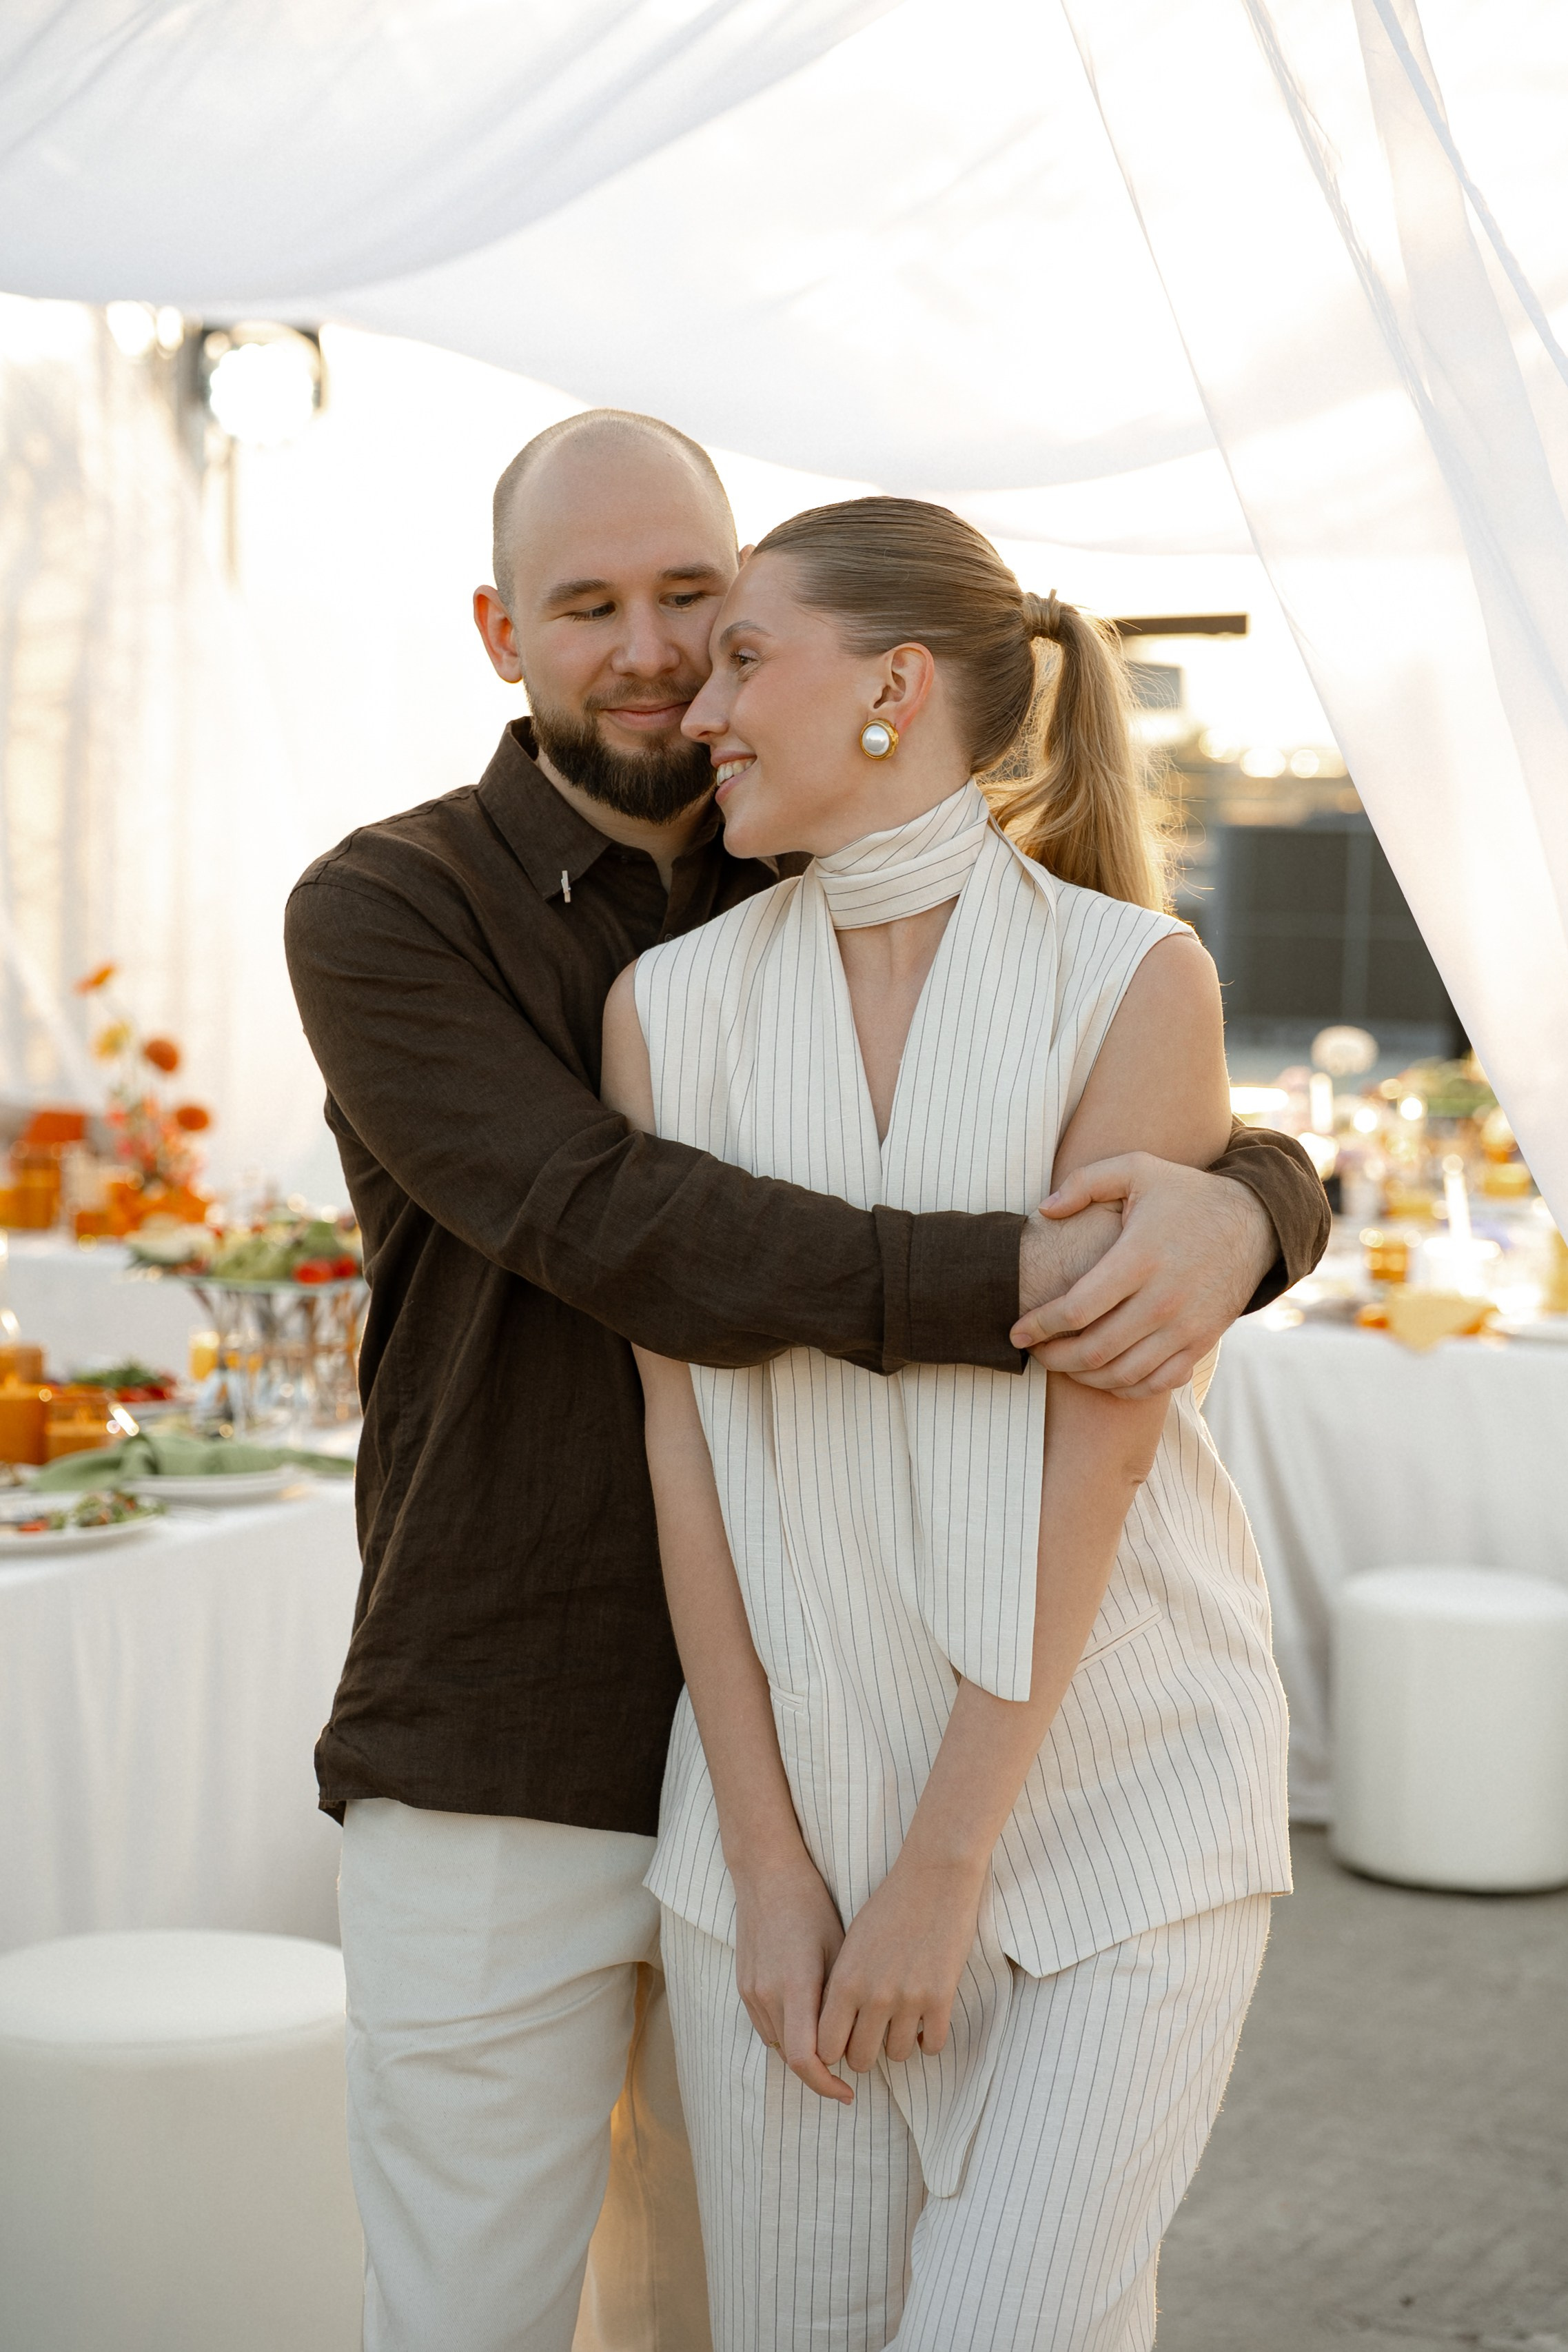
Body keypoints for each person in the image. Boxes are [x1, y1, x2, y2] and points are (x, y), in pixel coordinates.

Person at [284, 414, 1326, 2352]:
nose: (664, 656)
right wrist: (1055, 1271)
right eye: (592, 606)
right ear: (503, 631)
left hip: (847, 1748)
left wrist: (1258, 1202)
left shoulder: (847, 876)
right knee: (470, 2318)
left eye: (703, 600)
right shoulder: (397, 907)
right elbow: (626, 1229)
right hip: (514, 1726)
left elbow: (1117, 1071)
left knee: (730, 2318)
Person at [601, 495, 1294, 2351]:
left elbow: (1103, 1439)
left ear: (895, 686)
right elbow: (686, 1446)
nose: (700, 707)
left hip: (1109, 1824)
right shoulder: (664, 1012)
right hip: (778, 1856)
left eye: (747, 653)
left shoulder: (1130, 980)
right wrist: (766, 1867)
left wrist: (939, 1872)